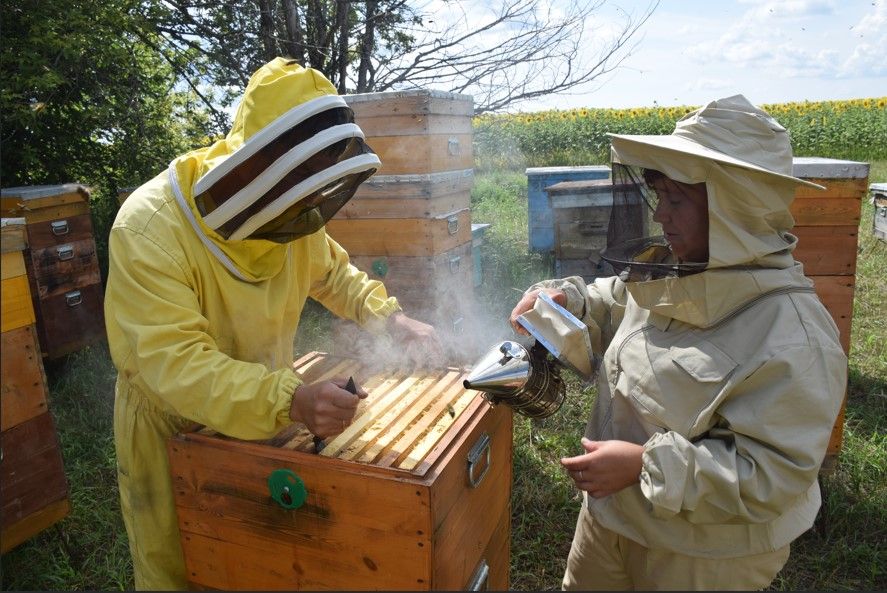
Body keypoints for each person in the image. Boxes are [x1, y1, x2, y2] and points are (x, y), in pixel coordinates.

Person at [104, 58, 443, 590]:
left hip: (269, 411)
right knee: (182, 570)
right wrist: (288, 399)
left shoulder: (290, 209)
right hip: (173, 428)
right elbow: (176, 366)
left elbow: (334, 274)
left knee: (264, 560)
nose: (306, 207)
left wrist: (390, 318)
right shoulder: (148, 231)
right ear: (259, 166)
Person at [509, 95, 846, 590]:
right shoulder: (678, 268)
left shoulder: (795, 336)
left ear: (733, 208)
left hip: (703, 557)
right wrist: (571, 299)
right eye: (659, 195)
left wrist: (643, 465)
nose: (662, 215)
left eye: (677, 200)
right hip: (611, 518)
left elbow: (773, 474)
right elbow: (619, 300)